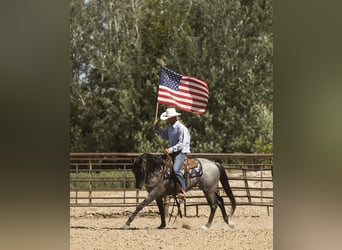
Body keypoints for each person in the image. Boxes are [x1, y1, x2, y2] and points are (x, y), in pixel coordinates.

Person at [153, 108, 190, 197]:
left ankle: (183, 190)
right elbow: (165, 136)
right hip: (173, 151)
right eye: (167, 118)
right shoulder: (169, 127)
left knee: (176, 169)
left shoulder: (181, 128)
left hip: (181, 151)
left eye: (169, 118)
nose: (168, 120)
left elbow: (182, 143)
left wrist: (170, 150)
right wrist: (158, 128)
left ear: (174, 117)